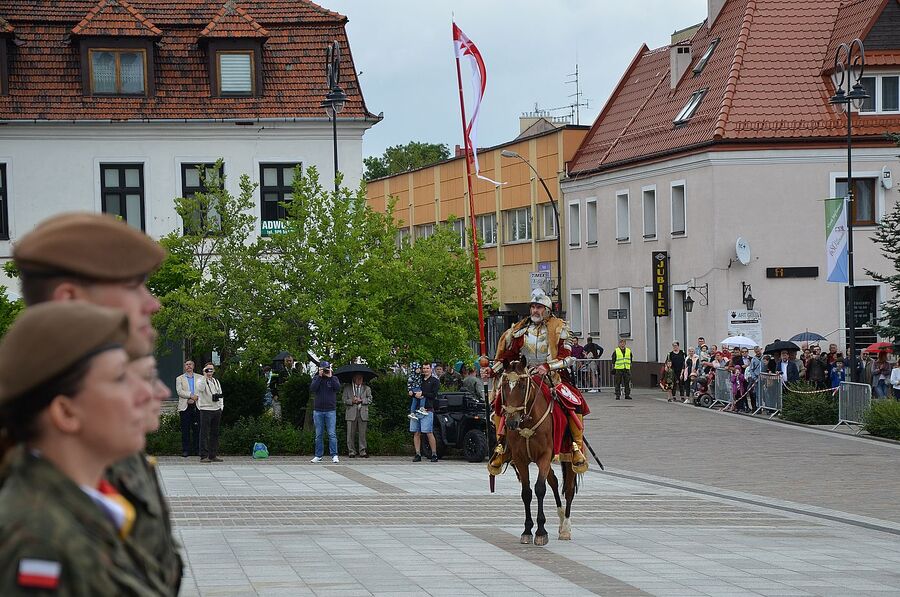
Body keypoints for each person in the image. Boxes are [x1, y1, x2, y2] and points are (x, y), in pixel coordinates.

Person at [11, 212, 181, 593]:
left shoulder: (108, 441)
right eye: (134, 286)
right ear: (70, 300)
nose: (152, 304)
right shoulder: (31, 522)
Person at [0, 302, 169, 595]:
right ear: (65, 412)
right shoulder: (38, 541)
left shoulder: (90, 508)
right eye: (120, 378)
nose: (148, 393)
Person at [487, 288, 590, 475]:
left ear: (547, 310)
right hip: (523, 375)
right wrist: (492, 370)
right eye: (533, 307)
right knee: (500, 401)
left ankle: (576, 447)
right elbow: (508, 357)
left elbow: (568, 358)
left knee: (575, 402)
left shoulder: (560, 329)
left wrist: (548, 366)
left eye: (539, 307)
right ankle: (501, 447)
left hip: (551, 378)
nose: (535, 310)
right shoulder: (520, 331)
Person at [310, 361, 342, 463]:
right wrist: (320, 377)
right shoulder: (316, 378)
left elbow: (338, 388)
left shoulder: (334, 378)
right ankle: (318, 455)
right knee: (318, 434)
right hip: (318, 410)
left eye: (326, 368)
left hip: (330, 410)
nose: (325, 371)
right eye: (323, 369)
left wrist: (330, 377)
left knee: (332, 434)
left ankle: (334, 455)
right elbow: (312, 388)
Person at [411, 362, 440, 462]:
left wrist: (423, 393)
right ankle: (417, 453)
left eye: (427, 368)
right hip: (416, 409)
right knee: (416, 432)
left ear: (431, 369)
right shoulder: (419, 380)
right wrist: (413, 393)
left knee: (428, 432)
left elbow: (433, 395)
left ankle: (434, 454)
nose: (425, 370)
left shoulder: (435, 381)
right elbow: (413, 389)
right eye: (424, 368)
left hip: (427, 409)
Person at [196, 363, 224, 462]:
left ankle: (213, 455)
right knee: (204, 433)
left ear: (214, 371)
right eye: (208, 369)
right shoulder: (200, 380)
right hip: (206, 409)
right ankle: (203, 456)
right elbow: (200, 388)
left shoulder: (216, 381)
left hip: (216, 409)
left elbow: (220, 394)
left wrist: (221, 407)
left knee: (214, 433)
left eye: (211, 369)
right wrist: (205, 376)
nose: (209, 371)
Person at [343, 373, 372, 458]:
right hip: (351, 413)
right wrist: (352, 401)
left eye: (361, 378)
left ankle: (362, 451)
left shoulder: (367, 388)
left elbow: (370, 399)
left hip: (363, 413)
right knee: (350, 434)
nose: (360, 380)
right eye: (358, 378)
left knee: (362, 434)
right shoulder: (347, 388)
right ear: (354, 379)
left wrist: (362, 400)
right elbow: (344, 400)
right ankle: (351, 451)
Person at [176, 360, 201, 457]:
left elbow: (202, 391)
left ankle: (197, 450)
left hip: (197, 406)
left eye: (190, 364)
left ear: (193, 366)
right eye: (186, 365)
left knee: (197, 429)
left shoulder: (200, 378)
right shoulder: (179, 378)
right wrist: (190, 396)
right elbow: (179, 391)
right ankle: (186, 450)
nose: (188, 366)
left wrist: (195, 398)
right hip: (185, 407)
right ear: (184, 367)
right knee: (185, 430)